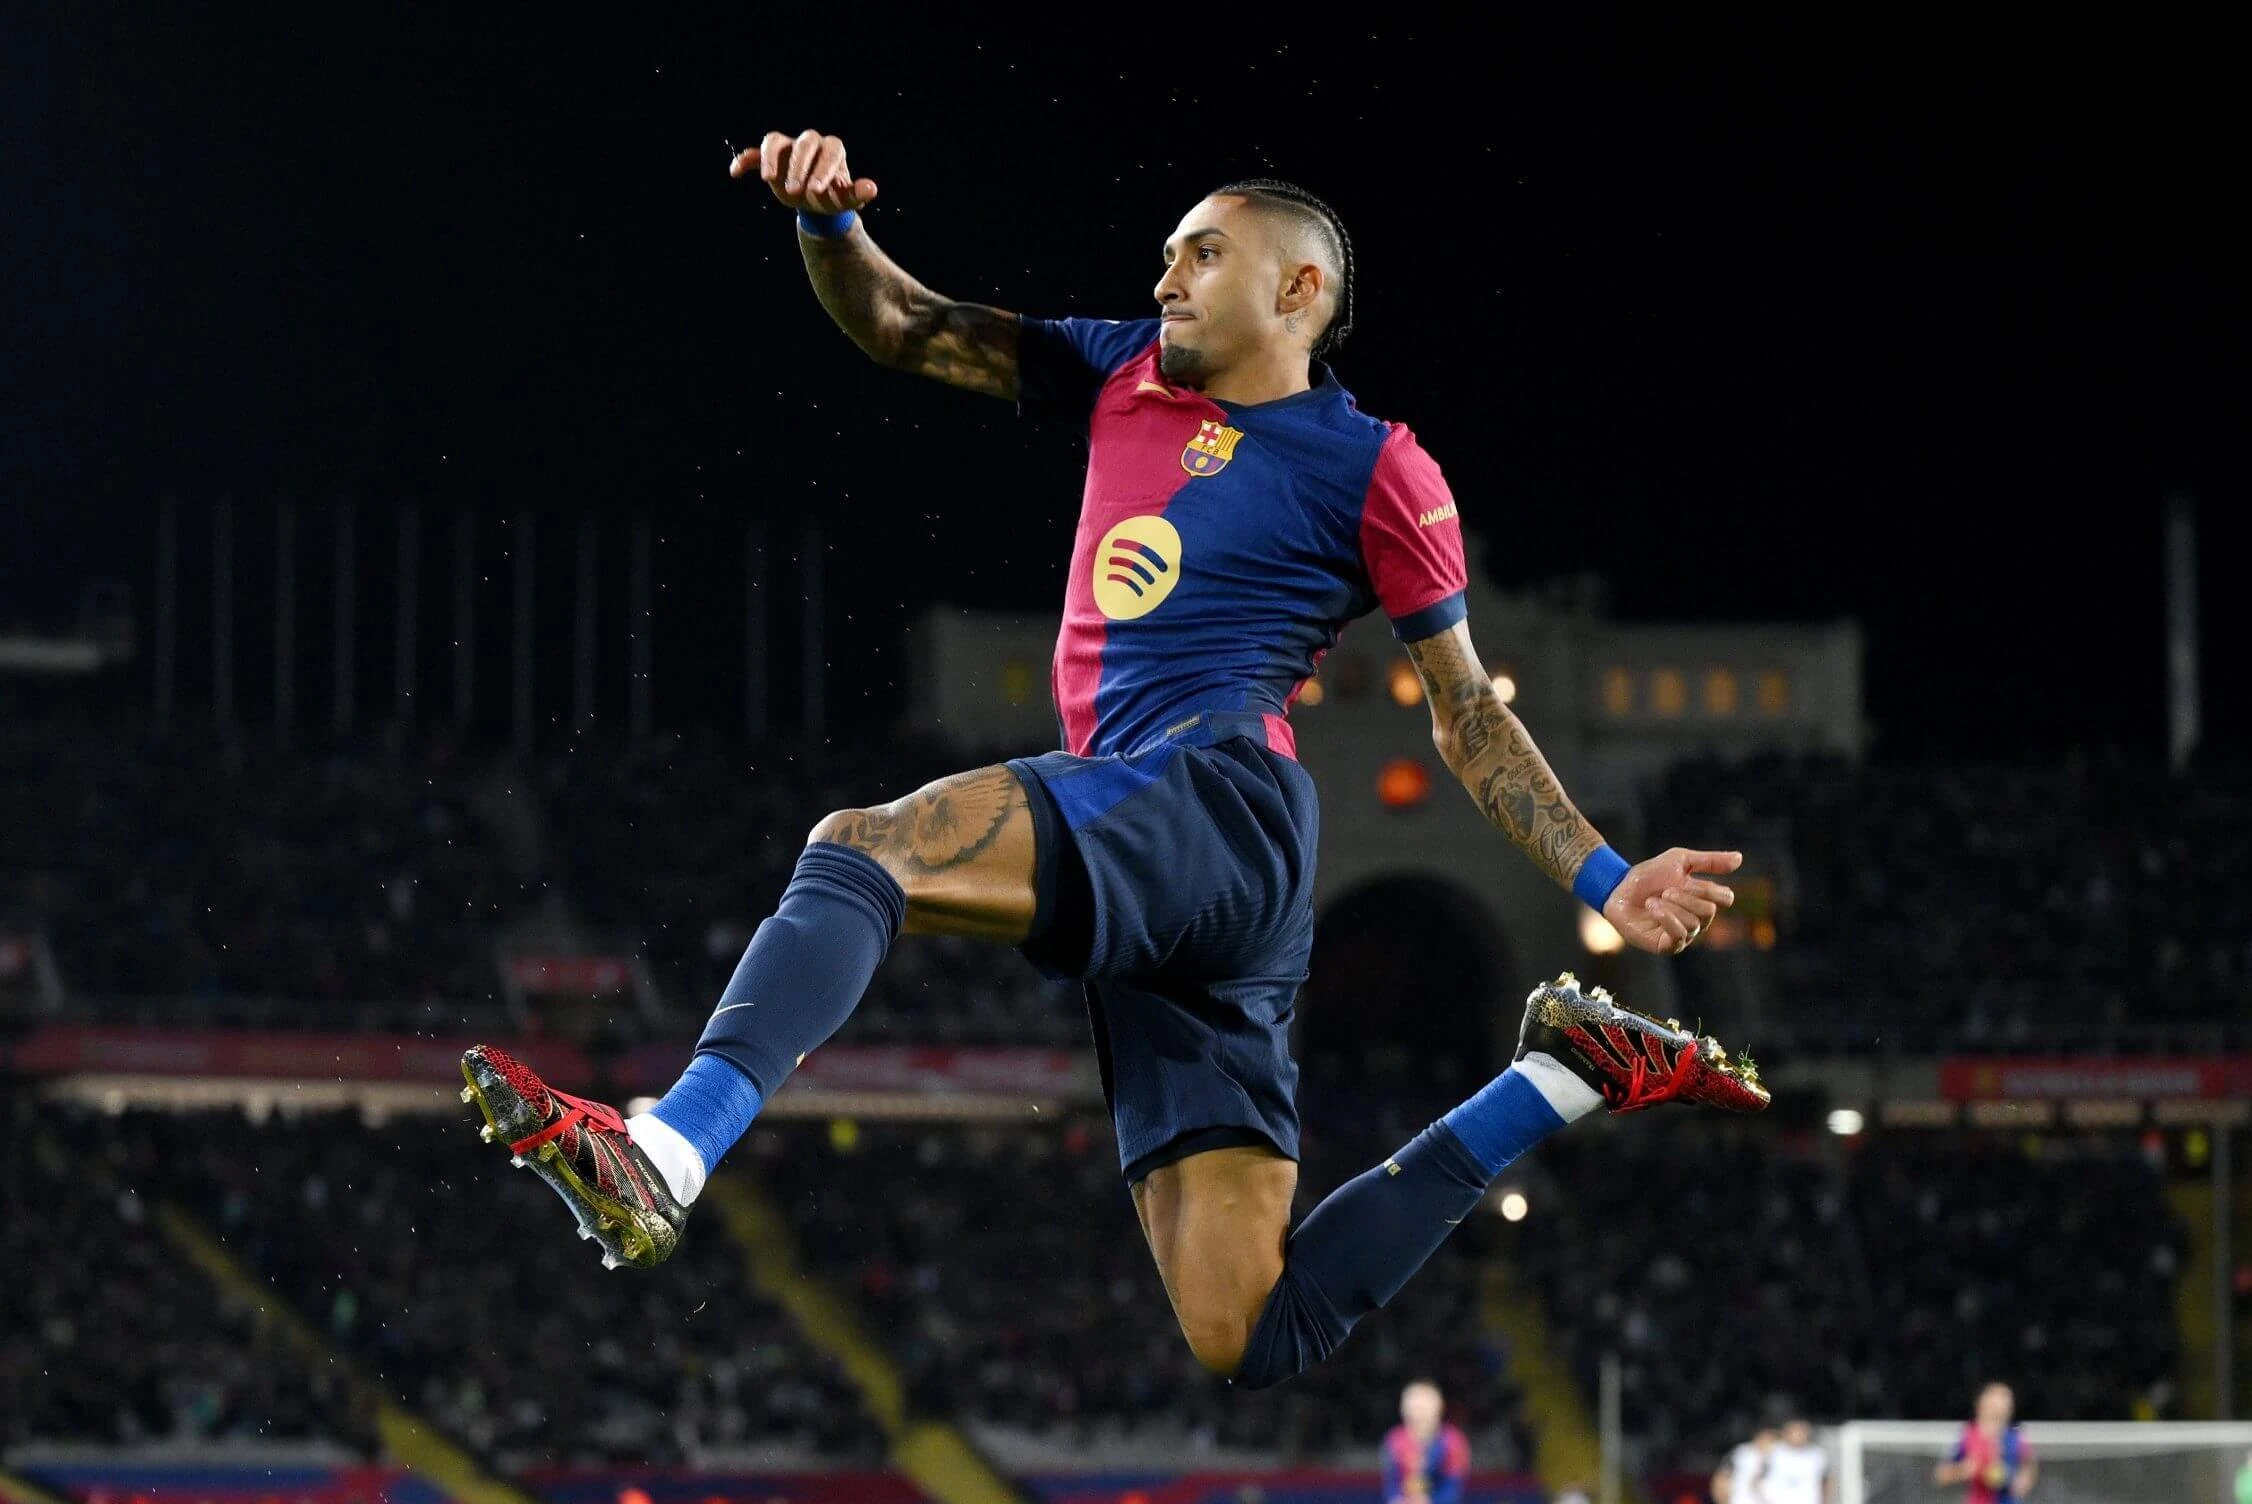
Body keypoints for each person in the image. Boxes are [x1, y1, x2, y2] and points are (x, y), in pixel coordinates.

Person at [457, 128, 1769, 1390]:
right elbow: (906, 324)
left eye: (1203, 254)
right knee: (1249, 1330)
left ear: (1299, 290)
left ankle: (670, 1149)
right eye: (1167, 255)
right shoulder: (1120, 368)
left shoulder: (1378, 468)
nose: (1165, 279)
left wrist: (1606, 879)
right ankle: (1564, 1073)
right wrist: (831, 227)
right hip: (1173, 851)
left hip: (1218, 805)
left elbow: (1467, 712)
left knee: (864, 850)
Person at [1934, 1383, 2036, 1501]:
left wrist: (2023, 1480)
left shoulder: (2016, 1436)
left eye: (2005, 1403)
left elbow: (2029, 1465)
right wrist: (1965, 1469)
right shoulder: (1968, 1435)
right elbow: (1941, 1475)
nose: (1999, 1409)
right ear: (1982, 1406)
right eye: (1994, 1404)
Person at [1382, 1380, 1468, 1504]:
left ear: (1439, 1409)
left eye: (1423, 1409)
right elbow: (1392, 1482)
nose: (1418, 1414)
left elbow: (1453, 1487)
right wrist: (1397, 1499)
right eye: (1413, 1408)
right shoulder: (1394, 1440)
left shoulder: (1453, 1442)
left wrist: (1431, 1501)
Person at [1760, 1418, 1830, 1504]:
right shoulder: (1774, 1452)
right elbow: (1760, 1478)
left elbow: (1825, 1481)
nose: (1798, 1435)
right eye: (1795, 1431)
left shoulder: (1817, 1454)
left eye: (1801, 1431)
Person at [1712, 1426, 1777, 1503]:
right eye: (1766, 1439)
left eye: (1772, 1441)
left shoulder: (1776, 1457)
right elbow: (1722, 1476)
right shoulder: (1741, 1452)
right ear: (1758, 1437)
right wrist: (1721, 1498)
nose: (1767, 1443)